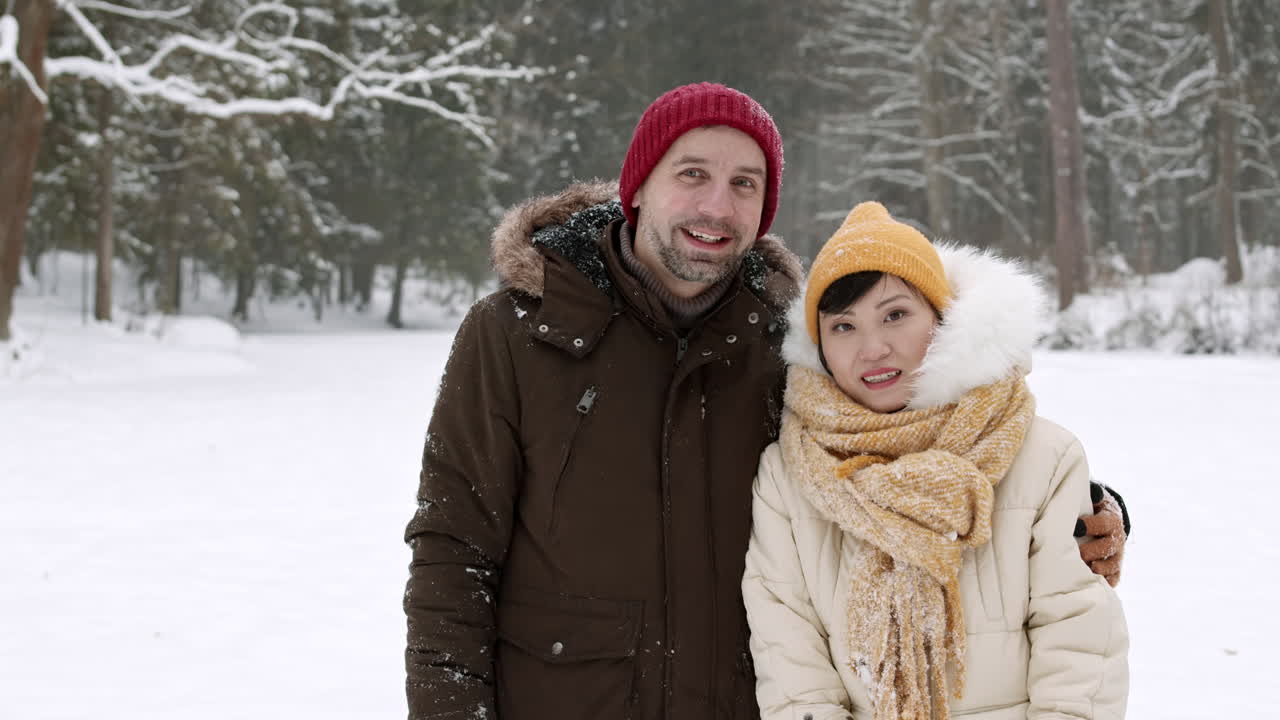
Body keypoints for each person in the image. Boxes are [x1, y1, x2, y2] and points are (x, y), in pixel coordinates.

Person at [403, 83, 1127, 720]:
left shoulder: (787, 340)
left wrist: (1084, 508)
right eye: (693, 175)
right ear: (639, 186)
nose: (717, 205)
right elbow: (452, 547)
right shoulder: (516, 333)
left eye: (745, 184)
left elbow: (903, 447)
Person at [742, 202, 1129, 720]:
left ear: (942, 318)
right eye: (843, 327)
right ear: (819, 346)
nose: (872, 347)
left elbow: (1078, 645)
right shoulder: (788, 474)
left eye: (896, 315)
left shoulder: (1044, 458)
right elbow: (790, 658)